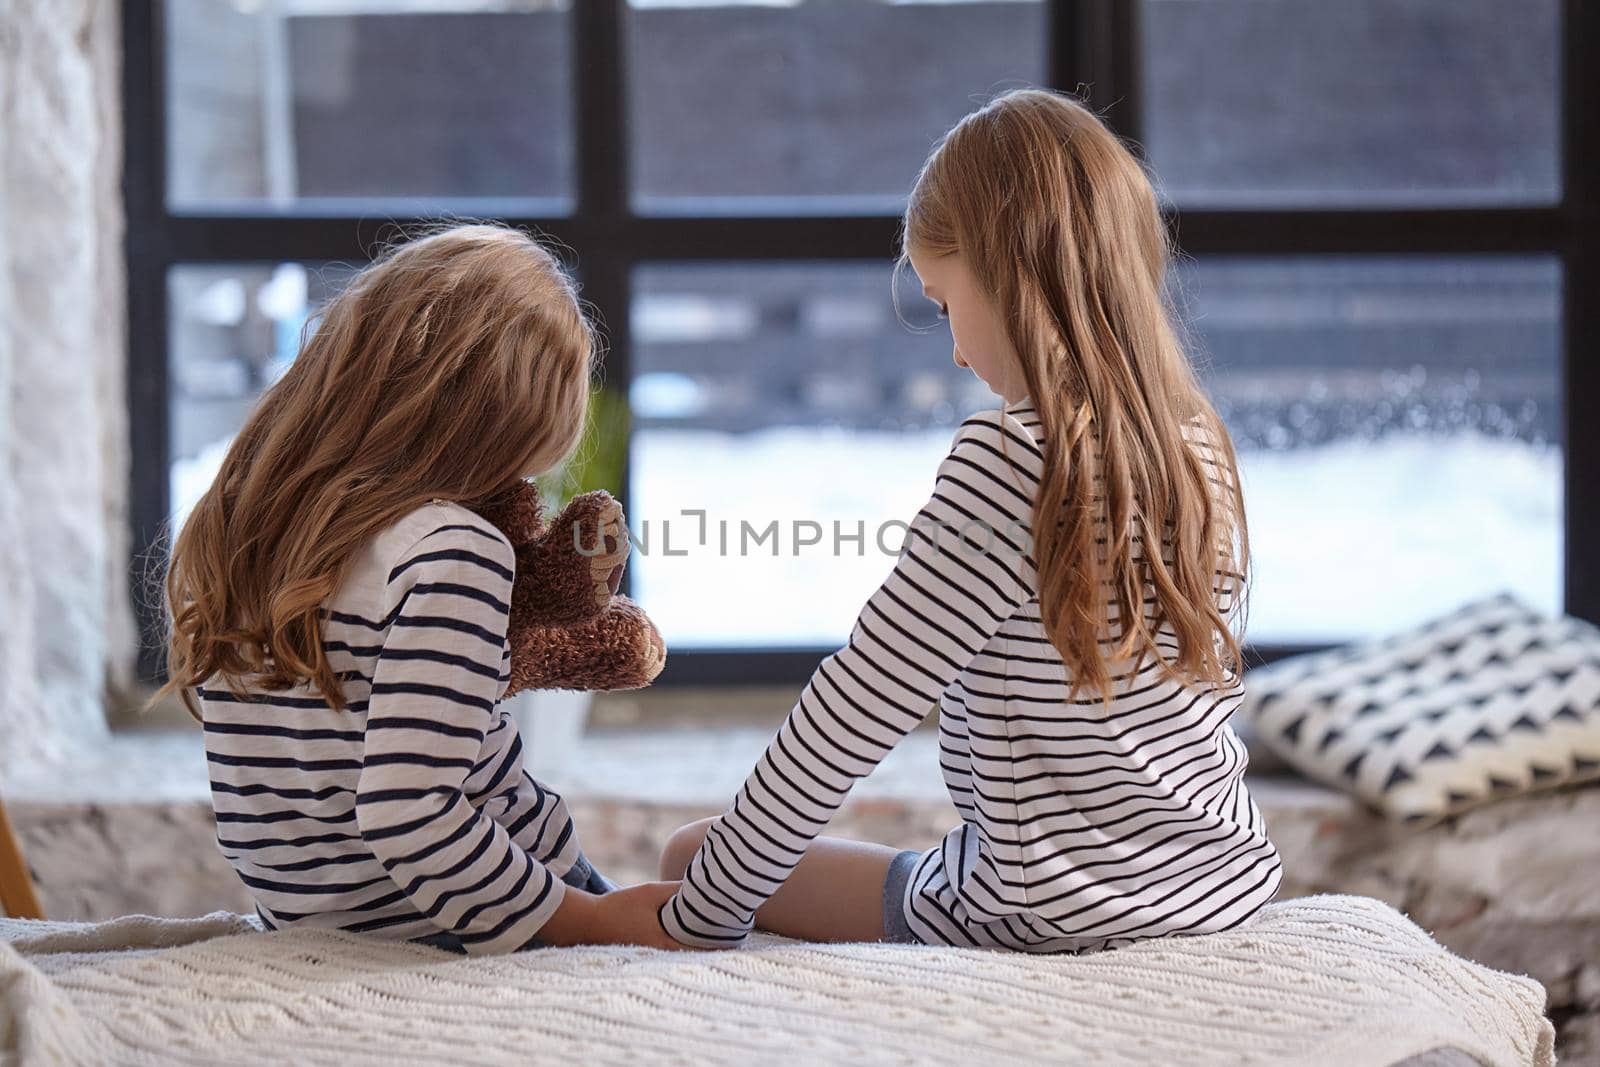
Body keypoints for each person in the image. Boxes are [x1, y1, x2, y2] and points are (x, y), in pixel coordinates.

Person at [658, 90, 1281, 952]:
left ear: (1009, 276)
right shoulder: (1195, 437)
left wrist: (699, 912)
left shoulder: (1011, 454)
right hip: (1220, 883)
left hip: (1047, 910)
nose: (952, 346)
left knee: (686, 855)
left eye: (946, 301)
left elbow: (861, 700)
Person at [159, 224, 681, 954]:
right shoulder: (455, 553)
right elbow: (409, 812)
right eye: (517, 468)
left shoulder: (265, 533)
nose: (518, 491)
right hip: (481, 925)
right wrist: (593, 919)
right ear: (493, 431)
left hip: (311, 927)